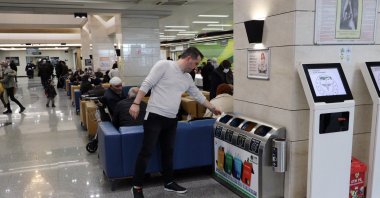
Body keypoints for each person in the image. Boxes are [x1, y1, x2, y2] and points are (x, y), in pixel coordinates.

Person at [129, 47, 221, 198]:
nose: (196, 67)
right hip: (154, 116)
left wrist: (212, 107)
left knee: (168, 152)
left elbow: (197, 95)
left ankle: (169, 182)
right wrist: (136, 103)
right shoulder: (164, 65)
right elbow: (147, 83)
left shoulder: (187, 77)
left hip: (172, 119)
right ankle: (137, 187)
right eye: (196, 63)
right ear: (189, 58)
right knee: (146, 152)